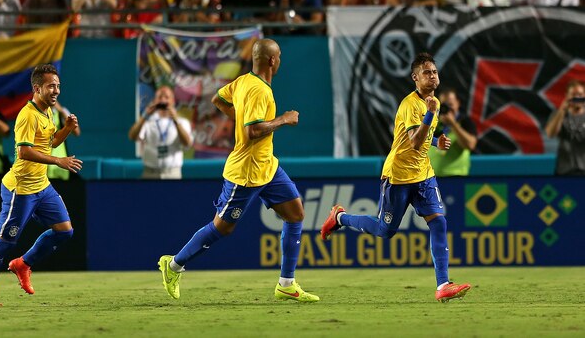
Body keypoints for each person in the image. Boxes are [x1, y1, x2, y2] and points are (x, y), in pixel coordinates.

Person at [158, 39, 319, 303]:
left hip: (267, 165)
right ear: (272, 61)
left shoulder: (244, 80)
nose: (280, 61)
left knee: (296, 213)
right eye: (279, 57)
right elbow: (253, 131)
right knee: (222, 227)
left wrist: (241, 115)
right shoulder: (259, 90)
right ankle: (173, 265)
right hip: (246, 171)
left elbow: (218, 99)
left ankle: (286, 284)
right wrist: (284, 119)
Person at [320, 52, 471, 303]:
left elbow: (424, 137)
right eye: (426, 73)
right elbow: (413, 143)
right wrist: (430, 116)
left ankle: (443, 284)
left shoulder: (433, 102)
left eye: (434, 72)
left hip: (423, 175)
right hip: (399, 176)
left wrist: (436, 141)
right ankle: (340, 218)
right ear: (415, 78)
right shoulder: (411, 105)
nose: (432, 76)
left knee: (439, 222)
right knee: (385, 230)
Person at [0, 64, 83, 306]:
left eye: (58, 86)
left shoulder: (47, 112)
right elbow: (24, 152)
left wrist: (66, 129)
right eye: (51, 86)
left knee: (65, 231)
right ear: (37, 88)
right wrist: (58, 161)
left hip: (41, 186)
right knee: (5, 241)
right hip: (20, 188)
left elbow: (49, 142)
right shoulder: (27, 115)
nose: (56, 91)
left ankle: (23, 264)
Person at [128, 85, 193, 179]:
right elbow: (132, 136)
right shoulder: (148, 122)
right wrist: (144, 116)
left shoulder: (182, 122)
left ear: (173, 101)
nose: (163, 100)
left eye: (166, 97)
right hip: (150, 172)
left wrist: (175, 121)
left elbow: (187, 143)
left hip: (172, 173)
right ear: (155, 101)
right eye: (160, 97)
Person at [428, 87, 477, 177]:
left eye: (450, 105)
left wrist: (453, 124)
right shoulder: (432, 122)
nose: (447, 109)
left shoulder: (465, 122)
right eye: (443, 105)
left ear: (458, 103)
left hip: (456, 178)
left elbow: (470, 145)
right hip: (431, 179)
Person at [545, 80, 585, 176]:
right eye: (573, 95)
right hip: (564, 170)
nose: (577, 98)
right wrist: (562, 111)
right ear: (567, 96)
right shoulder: (558, 114)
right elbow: (550, 134)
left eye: (580, 94)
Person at [48, 101, 82, 180]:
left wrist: (61, 111)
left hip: (61, 165)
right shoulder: (36, 113)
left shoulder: (61, 112)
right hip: (43, 166)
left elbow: (77, 132)